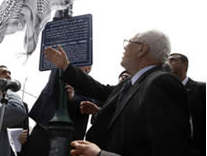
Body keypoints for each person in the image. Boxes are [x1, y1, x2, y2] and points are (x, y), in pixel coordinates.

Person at [44, 30, 191, 156]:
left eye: (129, 42)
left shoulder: (162, 82)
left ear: (142, 49)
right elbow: (99, 90)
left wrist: (100, 154)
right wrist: (65, 66)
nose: (125, 47)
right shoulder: (130, 84)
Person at [28, 66, 99, 156]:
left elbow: (96, 102)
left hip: (68, 137)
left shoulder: (91, 86)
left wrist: (74, 97)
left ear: (87, 69)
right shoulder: (58, 71)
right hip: (43, 129)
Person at [168, 53, 206, 156]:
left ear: (185, 65)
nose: (168, 63)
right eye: (166, 60)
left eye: (172, 60)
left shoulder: (202, 89)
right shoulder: (163, 91)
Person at [0, 65, 29, 156]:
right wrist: (12, 137)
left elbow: (25, 133)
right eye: (3, 73)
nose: (8, 75)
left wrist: (23, 138)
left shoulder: (22, 105)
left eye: (9, 73)